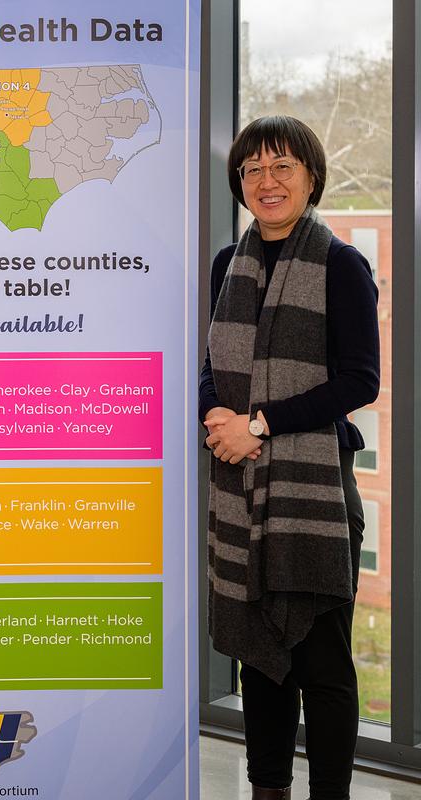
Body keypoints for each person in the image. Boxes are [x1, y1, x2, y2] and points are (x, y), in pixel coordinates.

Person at [199, 115, 379, 800]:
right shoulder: (228, 265)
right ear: (240, 182)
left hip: (316, 500)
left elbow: (360, 381)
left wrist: (261, 424)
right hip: (239, 491)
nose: (266, 182)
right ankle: (267, 790)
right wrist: (216, 413)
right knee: (261, 660)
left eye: (282, 167)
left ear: (310, 176)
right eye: (252, 170)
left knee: (323, 667)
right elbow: (211, 361)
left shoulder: (340, 265)